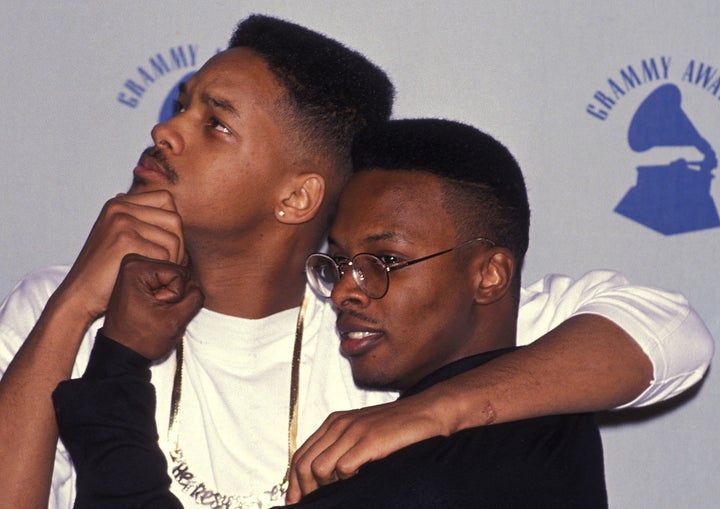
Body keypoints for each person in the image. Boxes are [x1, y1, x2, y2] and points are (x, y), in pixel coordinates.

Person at [0, 13, 712, 509]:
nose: (165, 129)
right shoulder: (59, 308)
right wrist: (71, 309)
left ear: (297, 194)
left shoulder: (381, 315)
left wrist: (426, 413)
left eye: (213, 123)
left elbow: (673, 335)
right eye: (183, 105)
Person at [53, 118, 608, 508]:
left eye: (386, 260)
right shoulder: (556, 427)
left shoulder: (433, 472)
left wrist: (119, 360)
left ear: (489, 275)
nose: (346, 289)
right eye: (338, 264)